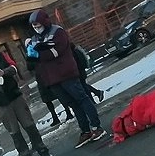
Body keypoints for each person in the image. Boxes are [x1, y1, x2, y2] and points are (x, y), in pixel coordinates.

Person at [28, 9, 108, 148]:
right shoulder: (35, 39)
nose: (37, 29)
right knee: (73, 104)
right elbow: (32, 61)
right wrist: (33, 56)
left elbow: (57, 51)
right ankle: (85, 131)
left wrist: (40, 55)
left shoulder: (57, 32)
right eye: (34, 27)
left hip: (66, 73)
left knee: (82, 99)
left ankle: (97, 127)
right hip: (52, 79)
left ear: (44, 22)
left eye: (38, 26)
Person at [26, 44, 74, 125]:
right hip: (41, 79)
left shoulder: (42, 49)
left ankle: (68, 112)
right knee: (47, 99)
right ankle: (55, 116)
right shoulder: (31, 54)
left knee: (59, 95)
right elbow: (29, 67)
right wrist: (29, 56)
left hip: (49, 75)